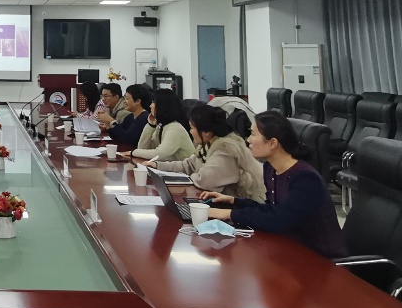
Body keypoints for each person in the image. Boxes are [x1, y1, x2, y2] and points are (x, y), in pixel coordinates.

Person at [202, 111, 347, 258]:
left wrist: (229, 214)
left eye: (253, 134)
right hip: (290, 249)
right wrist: (235, 201)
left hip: (320, 258)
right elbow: (273, 209)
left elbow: (278, 220)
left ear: (272, 143)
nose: (248, 140)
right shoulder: (271, 168)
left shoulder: (305, 178)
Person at [147, 102, 264, 201]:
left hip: (243, 205)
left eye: (192, 128)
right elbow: (188, 165)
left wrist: (192, 175)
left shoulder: (226, 150)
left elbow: (205, 181)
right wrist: (157, 166)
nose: (190, 132)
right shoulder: (207, 144)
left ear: (206, 132)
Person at [134, 88, 197, 164]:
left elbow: (159, 154)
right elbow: (142, 148)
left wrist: (133, 152)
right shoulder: (160, 126)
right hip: (168, 168)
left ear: (162, 106)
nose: (150, 106)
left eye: (153, 102)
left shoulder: (175, 128)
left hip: (183, 170)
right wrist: (150, 125)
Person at [97, 83, 151, 148]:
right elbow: (117, 135)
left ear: (138, 101)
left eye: (127, 98)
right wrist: (107, 124)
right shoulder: (130, 117)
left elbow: (128, 138)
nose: (124, 101)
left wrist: (111, 120)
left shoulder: (144, 118)